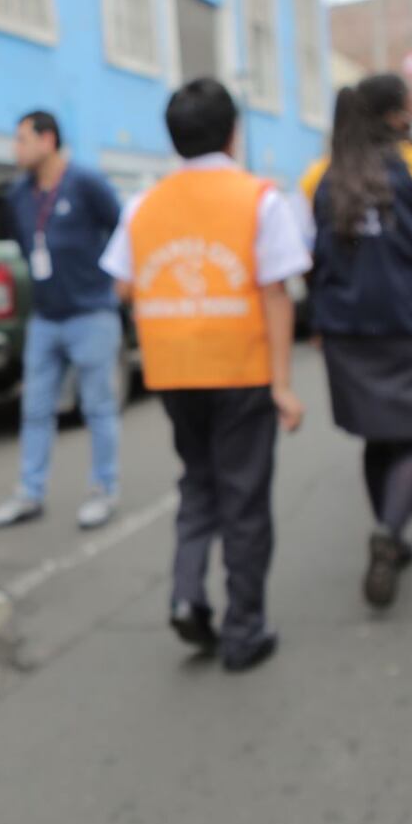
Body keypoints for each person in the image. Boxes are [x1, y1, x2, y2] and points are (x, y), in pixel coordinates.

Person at [99, 79, 310, 670]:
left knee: (199, 484)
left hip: (173, 371)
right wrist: (283, 384)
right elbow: (277, 293)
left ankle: (187, 594)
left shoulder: (145, 205)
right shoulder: (259, 199)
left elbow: (121, 282)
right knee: (243, 499)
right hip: (240, 369)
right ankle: (245, 629)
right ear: (233, 132)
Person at [307, 76, 412, 608]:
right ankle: (389, 535)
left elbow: (309, 253)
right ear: (394, 115)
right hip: (411, 322)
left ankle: (391, 531)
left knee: (376, 436)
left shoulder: (318, 178)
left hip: (347, 327)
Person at [0, 111, 125, 531]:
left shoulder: (86, 184)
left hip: (92, 314)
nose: (16, 149)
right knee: (35, 409)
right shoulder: (18, 196)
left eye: (23, 139)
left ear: (47, 141)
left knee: (98, 407)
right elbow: (25, 245)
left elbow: (122, 230)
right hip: (45, 319)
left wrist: (116, 289)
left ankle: (103, 489)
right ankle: (30, 492)